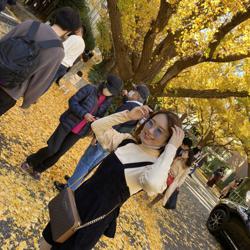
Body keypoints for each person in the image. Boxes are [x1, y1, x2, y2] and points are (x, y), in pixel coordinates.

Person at [40, 105, 185, 249]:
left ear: (167, 141)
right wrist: (127, 116)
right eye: (151, 123)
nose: (150, 130)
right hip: (78, 199)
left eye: (159, 131)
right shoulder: (127, 142)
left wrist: (171, 149)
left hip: (94, 217)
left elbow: (152, 184)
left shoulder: (153, 168)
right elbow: (97, 127)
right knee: (45, 243)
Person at [21, 75, 123, 180]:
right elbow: (72, 101)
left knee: (59, 153)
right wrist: (84, 114)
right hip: (69, 122)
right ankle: (30, 161)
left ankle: (39, 169)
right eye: (109, 90)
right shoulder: (90, 89)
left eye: (112, 93)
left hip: (80, 131)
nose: (110, 93)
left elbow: (100, 115)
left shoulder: (107, 101)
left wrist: (97, 119)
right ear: (105, 84)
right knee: (52, 149)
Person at [54, 83, 150, 191]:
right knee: (91, 165)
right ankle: (75, 182)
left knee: (86, 162)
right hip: (113, 142)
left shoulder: (129, 107)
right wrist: (125, 97)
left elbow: (115, 123)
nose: (131, 91)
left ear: (137, 95)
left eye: (134, 90)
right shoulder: (139, 110)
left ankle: (69, 188)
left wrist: (96, 136)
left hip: (105, 138)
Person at [0, 7, 81, 116]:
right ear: (69, 31)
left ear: (55, 17)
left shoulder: (29, 24)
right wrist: (28, 101)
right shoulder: (58, 51)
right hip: (9, 91)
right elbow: (41, 80)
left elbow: (3, 42)